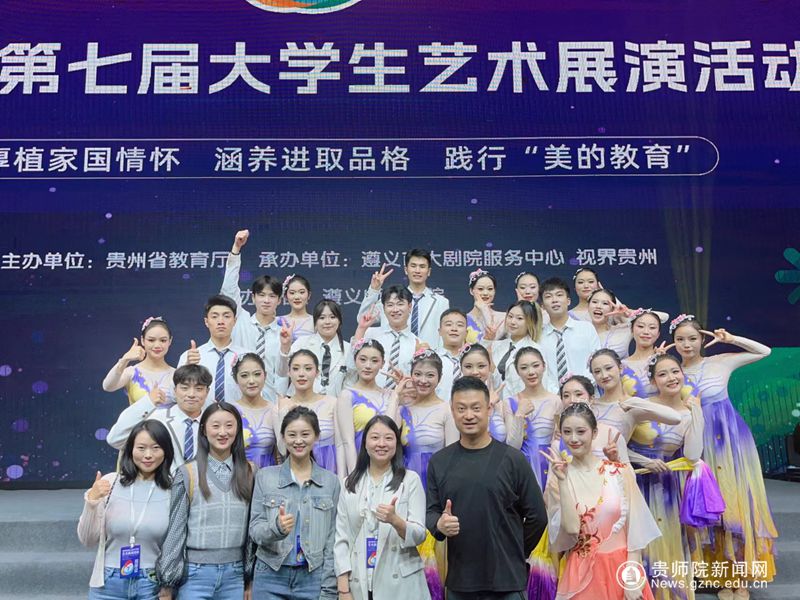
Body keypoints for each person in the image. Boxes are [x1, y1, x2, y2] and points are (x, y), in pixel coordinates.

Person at [671, 316, 778, 597]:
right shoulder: (672, 373)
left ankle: (739, 579)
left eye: (692, 338)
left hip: (729, 443)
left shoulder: (720, 362)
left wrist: (731, 339)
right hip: (695, 444)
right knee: (705, 504)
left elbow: (764, 351)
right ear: (673, 343)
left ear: (702, 339)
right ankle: (715, 574)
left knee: (733, 503)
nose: (686, 344)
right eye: (680, 339)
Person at [426, 376, 547, 600]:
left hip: (507, 583)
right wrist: (439, 525)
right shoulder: (439, 462)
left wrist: (515, 551)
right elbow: (431, 511)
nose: (468, 415)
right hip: (460, 582)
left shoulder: (513, 459)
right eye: (461, 409)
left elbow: (537, 516)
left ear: (489, 409)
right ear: (452, 411)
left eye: (476, 408)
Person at [627, 354, 722, 600]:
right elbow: (616, 445)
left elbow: (692, 455)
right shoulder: (641, 406)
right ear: (653, 381)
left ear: (683, 374)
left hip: (666, 487)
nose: (671, 378)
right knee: (636, 546)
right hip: (634, 482)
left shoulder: (689, 411)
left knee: (667, 545)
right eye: (662, 374)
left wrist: (697, 413)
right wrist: (643, 461)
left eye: (675, 372)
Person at [542, 402, 660, 600]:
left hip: (622, 568)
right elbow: (571, 529)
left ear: (594, 433)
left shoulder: (619, 472)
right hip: (581, 573)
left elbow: (636, 529)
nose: (574, 438)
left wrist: (631, 577)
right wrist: (562, 481)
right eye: (567, 432)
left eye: (581, 431)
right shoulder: (559, 479)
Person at [156, 402, 255, 599]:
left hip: (234, 576)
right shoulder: (187, 473)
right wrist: (167, 583)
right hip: (195, 575)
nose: (223, 432)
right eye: (215, 426)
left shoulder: (250, 472)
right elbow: (176, 531)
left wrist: (249, 578)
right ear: (203, 430)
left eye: (229, 425)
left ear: (238, 429)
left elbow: (252, 532)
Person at [334, 415, 430, 600]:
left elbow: (419, 534)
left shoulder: (410, 480)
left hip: (401, 584)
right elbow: (341, 539)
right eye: (375, 437)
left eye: (388, 438)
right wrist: (343, 589)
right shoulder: (349, 484)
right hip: (359, 581)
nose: (381, 443)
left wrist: (396, 521)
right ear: (365, 443)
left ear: (397, 443)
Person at [249, 407, 340, 600]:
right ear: (283, 437)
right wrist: (276, 529)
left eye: (305, 434)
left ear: (316, 436)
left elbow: (332, 541)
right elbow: (255, 531)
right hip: (270, 575)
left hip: (312, 577)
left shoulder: (330, 482)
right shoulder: (265, 477)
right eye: (292, 435)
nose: (298, 441)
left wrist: (329, 588)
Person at [79, 421, 174, 599]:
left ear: (166, 451)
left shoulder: (173, 489)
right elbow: (87, 539)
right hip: (108, 582)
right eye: (141, 448)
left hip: (151, 583)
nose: (148, 455)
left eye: (156, 448)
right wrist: (92, 501)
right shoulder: (110, 483)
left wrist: (169, 586)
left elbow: (176, 546)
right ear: (130, 450)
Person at [107, 365, 215, 472]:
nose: (191, 394)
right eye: (184, 388)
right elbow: (115, 439)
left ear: (207, 392)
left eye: (199, 389)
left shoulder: (215, 423)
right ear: (175, 390)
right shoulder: (157, 419)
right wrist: (147, 402)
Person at [222, 229, 285, 401]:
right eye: (261, 295)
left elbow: (282, 374)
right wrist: (236, 249)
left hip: (271, 403)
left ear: (279, 300)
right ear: (253, 298)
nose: (266, 300)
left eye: (272, 296)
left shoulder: (283, 333)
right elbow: (228, 290)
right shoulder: (241, 320)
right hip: (238, 400)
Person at [275, 349, 355, 475]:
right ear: (289, 372)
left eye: (308, 368)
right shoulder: (281, 405)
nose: (301, 374)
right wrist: (283, 412)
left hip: (329, 469)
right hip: (295, 471)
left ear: (317, 372)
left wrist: (341, 478)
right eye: (295, 369)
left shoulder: (332, 403)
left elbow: (340, 444)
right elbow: (282, 450)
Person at [589, 349, 681, 452]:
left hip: (614, 462)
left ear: (620, 368)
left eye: (608, 368)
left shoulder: (632, 405)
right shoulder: (591, 406)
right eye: (597, 372)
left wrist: (635, 402)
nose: (604, 375)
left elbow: (675, 418)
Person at [357, 252, 450, 348]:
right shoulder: (391, 300)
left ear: (429, 271)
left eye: (422, 266)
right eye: (413, 266)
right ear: (406, 270)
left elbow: (444, 335)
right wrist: (374, 289)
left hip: (428, 354)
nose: (417, 270)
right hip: (393, 353)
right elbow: (362, 319)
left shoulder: (441, 302)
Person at [506, 347, 562, 489]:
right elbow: (512, 446)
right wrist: (519, 414)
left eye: (536, 365)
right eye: (524, 368)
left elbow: (559, 440)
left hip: (549, 465)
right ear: (517, 371)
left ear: (544, 366)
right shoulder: (509, 402)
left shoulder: (556, 401)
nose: (531, 372)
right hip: (521, 467)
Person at [178, 294, 247, 404]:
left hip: (237, 414)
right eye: (215, 317)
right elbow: (176, 394)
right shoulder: (190, 357)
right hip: (201, 414)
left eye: (226, 316)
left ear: (234, 321)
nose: (221, 321)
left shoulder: (246, 357)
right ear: (206, 322)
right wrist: (187, 368)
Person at [278, 299, 351, 397]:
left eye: (332, 317)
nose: (327, 322)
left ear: (339, 320)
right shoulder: (302, 343)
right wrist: (285, 346)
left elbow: (351, 383)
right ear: (315, 321)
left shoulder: (348, 349)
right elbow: (282, 372)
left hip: (335, 403)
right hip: (300, 402)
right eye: (322, 318)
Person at [539, 278, 601, 393]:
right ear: (542, 306)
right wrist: (558, 394)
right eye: (548, 296)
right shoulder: (538, 337)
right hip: (553, 398)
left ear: (568, 301)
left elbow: (597, 362)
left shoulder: (586, 329)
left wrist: (579, 390)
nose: (554, 300)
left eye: (559, 295)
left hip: (587, 395)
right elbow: (541, 372)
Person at [353, 285, 420, 389]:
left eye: (400, 304)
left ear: (410, 306)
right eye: (390, 305)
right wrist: (361, 329)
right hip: (368, 396)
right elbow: (351, 365)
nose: (395, 309)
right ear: (384, 308)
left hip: (402, 397)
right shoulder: (369, 334)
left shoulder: (417, 343)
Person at [555, 375, 630, 464]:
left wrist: (615, 461)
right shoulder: (559, 438)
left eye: (578, 394)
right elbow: (554, 472)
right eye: (566, 396)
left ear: (591, 399)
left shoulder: (611, 433)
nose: (572, 400)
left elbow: (628, 471)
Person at [339, 339, 398, 451]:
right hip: (359, 456)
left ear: (382, 364)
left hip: (386, 456)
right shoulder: (347, 395)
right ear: (355, 360)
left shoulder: (390, 395)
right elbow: (347, 442)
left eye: (374, 361)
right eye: (363, 360)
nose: (368, 366)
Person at [103, 317, 176, 406]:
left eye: (163, 340)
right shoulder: (132, 372)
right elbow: (108, 386)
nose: (157, 345)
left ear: (170, 341)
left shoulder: (177, 375)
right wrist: (125, 359)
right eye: (151, 340)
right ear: (142, 340)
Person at [232, 353, 278, 468]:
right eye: (244, 376)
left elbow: (280, 453)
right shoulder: (230, 412)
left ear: (265, 376)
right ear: (235, 379)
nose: (251, 381)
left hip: (269, 473)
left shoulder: (275, 410)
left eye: (257, 374)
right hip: (238, 473)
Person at [459, 343, 511, 443]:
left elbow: (511, 441)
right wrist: (486, 406)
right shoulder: (457, 401)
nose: (475, 372)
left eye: (481, 366)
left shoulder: (498, 398)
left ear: (489, 367)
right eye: (468, 366)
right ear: (461, 368)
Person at [491, 300, 542, 396]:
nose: (512, 322)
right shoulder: (496, 345)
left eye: (519, 318)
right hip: (494, 401)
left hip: (522, 401)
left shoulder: (535, 350)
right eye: (510, 316)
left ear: (530, 322)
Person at [621, 309, 668, 398]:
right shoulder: (622, 366)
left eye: (652, 328)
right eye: (640, 326)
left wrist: (662, 361)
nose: (646, 332)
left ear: (658, 334)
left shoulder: (664, 361)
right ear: (631, 330)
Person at [435, 308, 469, 402]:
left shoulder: (472, 360)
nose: (454, 329)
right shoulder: (431, 360)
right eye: (448, 324)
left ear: (466, 333)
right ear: (440, 331)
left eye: (460, 325)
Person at [465, 269, 506, 345]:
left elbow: (492, 338)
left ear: (494, 291)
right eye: (480, 289)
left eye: (490, 289)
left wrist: (485, 310)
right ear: (471, 291)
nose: (485, 293)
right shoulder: (463, 320)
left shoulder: (504, 318)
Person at [279, 274, 315, 341]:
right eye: (292, 293)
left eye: (301, 292)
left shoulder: (316, 321)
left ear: (309, 295)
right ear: (286, 296)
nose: (297, 297)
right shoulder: (278, 321)